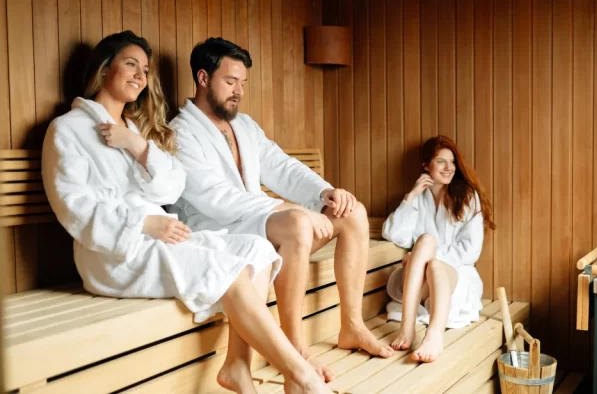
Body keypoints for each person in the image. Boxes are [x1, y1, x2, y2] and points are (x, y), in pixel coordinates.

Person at [41, 31, 330, 394]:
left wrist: (138, 146)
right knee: (226, 268)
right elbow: (74, 206)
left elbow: (171, 186)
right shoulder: (67, 131)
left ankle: (237, 366)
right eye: (130, 65)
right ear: (103, 69)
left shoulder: (133, 131)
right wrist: (143, 222)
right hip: (115, 253)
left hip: (159, 237)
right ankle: (300, 375)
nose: (140, 76)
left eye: (145, 70)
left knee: (256, 250)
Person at [167, 37, 393, 381]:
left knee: (353, 212)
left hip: (261, 225)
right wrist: (290, 210)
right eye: (230, 81)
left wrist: (326, 192)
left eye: (242, 83)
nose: (238, 91)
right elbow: (216, 198)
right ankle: (295, 348)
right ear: (202, 78)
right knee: (298, 225)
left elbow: (282, 167)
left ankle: (352, 325)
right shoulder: (180, 133)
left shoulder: (243, 126)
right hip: (219, 238)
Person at [382, 135, 495, 363]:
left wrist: (420, 258)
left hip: (456, 278)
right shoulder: (418, 198)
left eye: (452, 162)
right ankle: (408, 326)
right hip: (421, 283)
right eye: (441, 161)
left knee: (432, 259)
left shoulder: (467, 197)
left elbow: (470, 251)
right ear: (426, 165)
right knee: (426, 242)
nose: (449, 168)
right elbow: (393, 233)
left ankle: (432, 335)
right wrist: (411, 196)